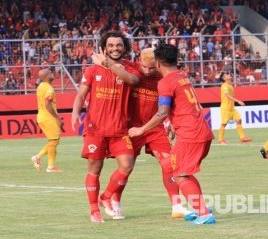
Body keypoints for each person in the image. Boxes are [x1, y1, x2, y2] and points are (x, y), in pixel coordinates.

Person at [129, 43, 216, 225]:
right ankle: (200, 208)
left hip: (190, 134)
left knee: (180, 174)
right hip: (201, 130)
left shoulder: (165, 82)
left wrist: (141, 129)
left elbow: (161, 112)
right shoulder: (182, 75)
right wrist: (173, 122)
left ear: (158, 63)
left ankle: (204, 214)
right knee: (184, 172)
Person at [71, 31, 141, 223]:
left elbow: (132, 81)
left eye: (118, 45)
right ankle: (94, 209)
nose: (115, 48)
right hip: (96, 129)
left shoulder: (131, 69)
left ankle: (106, 196)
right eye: (110, 45)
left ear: (124, 47)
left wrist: (108, 64)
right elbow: (81, 95)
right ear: (104, 48)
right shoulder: (93, 70)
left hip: (120, 130)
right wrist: (75, 112)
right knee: (95, 168)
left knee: (127, 166)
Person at [114, 48, 191, 219]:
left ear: (157, 64)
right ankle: (115, 201)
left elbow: (169, 101)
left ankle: (176, 206)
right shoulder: (131, 71)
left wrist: (169, 120)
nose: (148, 72)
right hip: (131, 128)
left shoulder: (163, 77)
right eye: (144, 67)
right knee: (126, 168)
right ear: (138, 60)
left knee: (168, 164)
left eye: (151, 68)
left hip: (154, 128)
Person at [30, 68, 64, 173]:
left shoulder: (41, 86)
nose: (52, 74)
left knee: (54, 140)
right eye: (50, 73)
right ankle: (49, 166)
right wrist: (57, 118)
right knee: (54, 141)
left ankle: (39, 158)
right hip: (48, 117)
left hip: (42, 116)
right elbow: (48, 104)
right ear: (45, 77)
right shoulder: (49, 88)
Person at [218, 71, 252, 144]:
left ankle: (242, 138)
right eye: (227, 75)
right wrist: (238, 101)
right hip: (226, 108)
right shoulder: (224, 86)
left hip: (232, 108)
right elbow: (227, 95)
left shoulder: (230, 85)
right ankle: (221, 140)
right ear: (224, 78)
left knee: (239, 120)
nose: (228, 75)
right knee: (224, 124)